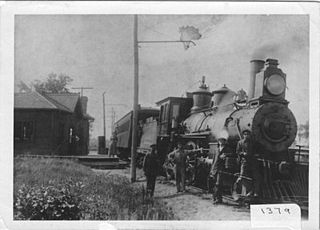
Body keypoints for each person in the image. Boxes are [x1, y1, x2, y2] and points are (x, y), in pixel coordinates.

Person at [208, 137, 234, 204]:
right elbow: (214, 160)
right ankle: (217, 198)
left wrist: (226, 155)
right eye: (220, 141)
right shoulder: (216, 149)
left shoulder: (227, 149)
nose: (221, 142)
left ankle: (217, 198)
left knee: (218, 184)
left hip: (222, 169)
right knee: (214, 184)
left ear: (225, 142)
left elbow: (233, 154)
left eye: (222, 141)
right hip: (215, 168)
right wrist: (211, 169)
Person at [236, 130, 260, 197]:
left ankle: (255, 192)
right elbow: (237, 151)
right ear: (243, 135)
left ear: (250, 135)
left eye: (248, 134)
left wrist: (256, 154)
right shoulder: (240, 142)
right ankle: (246, 191)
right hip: (244, 161)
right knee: (243, 176)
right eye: (245, 134)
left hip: (253, 162)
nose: (246, 135)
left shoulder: (253, 143)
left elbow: (257, 150)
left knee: (255, 176)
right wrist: (242, 153)